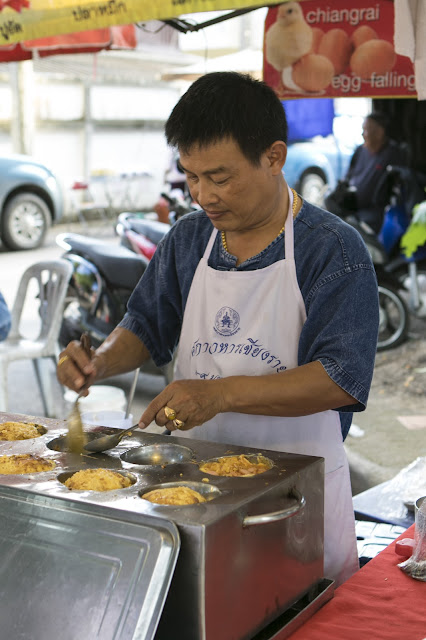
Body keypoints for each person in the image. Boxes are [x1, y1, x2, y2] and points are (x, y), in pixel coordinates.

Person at [57, 72, 379, 587]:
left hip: (293, 499)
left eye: (220, 177)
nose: (204, 194)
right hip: (198, 492)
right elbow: (145, 324)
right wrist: (100, 361)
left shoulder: (333, 251)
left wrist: (220, 394)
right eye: (191, 176)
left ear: (274, 157)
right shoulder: (189, 238)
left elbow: (340, 379)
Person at [325, 111, 406, 233]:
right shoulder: (360, 150)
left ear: (379, 133)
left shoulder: (392, 154)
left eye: (366, 130)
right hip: (350, 206)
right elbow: (347, 177)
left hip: (374, 214)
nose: (363, 134)